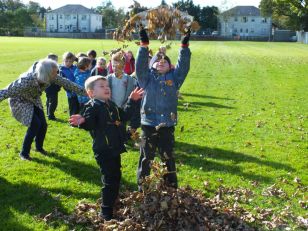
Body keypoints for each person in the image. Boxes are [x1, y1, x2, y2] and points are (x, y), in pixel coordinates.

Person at [69, 76, 143, 220]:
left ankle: (113, 200)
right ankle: (106, 210)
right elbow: (90, 123)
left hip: (114, 148)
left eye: (107, 86)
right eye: (101, 86)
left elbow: (124, 116)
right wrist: (82, 121)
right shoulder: (92, 107)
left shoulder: (111, 104)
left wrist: (132, 101)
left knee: (116, 176)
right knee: (109, 179)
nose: (106, 88)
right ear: (91, 93)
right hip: (103, 150)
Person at [135, 26, 191, 190]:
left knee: (168, 157)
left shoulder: (174, 79)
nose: (161, 62)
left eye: (165, 61)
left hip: (167, 124)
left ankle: (171, 187)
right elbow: (139, 66)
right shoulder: (146, 79)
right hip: (148, 123)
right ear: (151, 66)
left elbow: (184, 66)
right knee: (146, 158)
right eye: (158, 61)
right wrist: (144, 45)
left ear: (170, 66)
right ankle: (142, 188)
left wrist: (184, 47)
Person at [0, 59, 86, 161]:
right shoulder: (26, 80)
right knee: (35, 124)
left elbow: (67, 83)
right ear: (46, 73)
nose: (57, 74)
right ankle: (24, 153)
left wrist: (85, 92)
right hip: (20, 101)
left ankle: (39, 148)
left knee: (43, 125)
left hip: (34, 99)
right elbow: (6, 91)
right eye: (54, 72)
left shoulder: (52, 76)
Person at [59, 52, 79, 116]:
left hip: (78, 90)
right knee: (72, 107)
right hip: (70, 92)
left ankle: (78, 120)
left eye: (70, 61)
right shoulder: (62, 70)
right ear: (63, 61)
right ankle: (72, 122)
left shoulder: (75, 67)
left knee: (78, 106)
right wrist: (69, 90)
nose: (68, 63)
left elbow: (82, 62)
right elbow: (63, 82)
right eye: (66, 61)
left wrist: (76, 59)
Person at [44, 54, 61, 120]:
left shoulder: (46, 67)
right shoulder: (53, 68)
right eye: (55, 61)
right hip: (52, 88)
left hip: (48, 88)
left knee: (49, 100)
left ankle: (48, 114)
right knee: (53, 102)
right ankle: (51, 115)